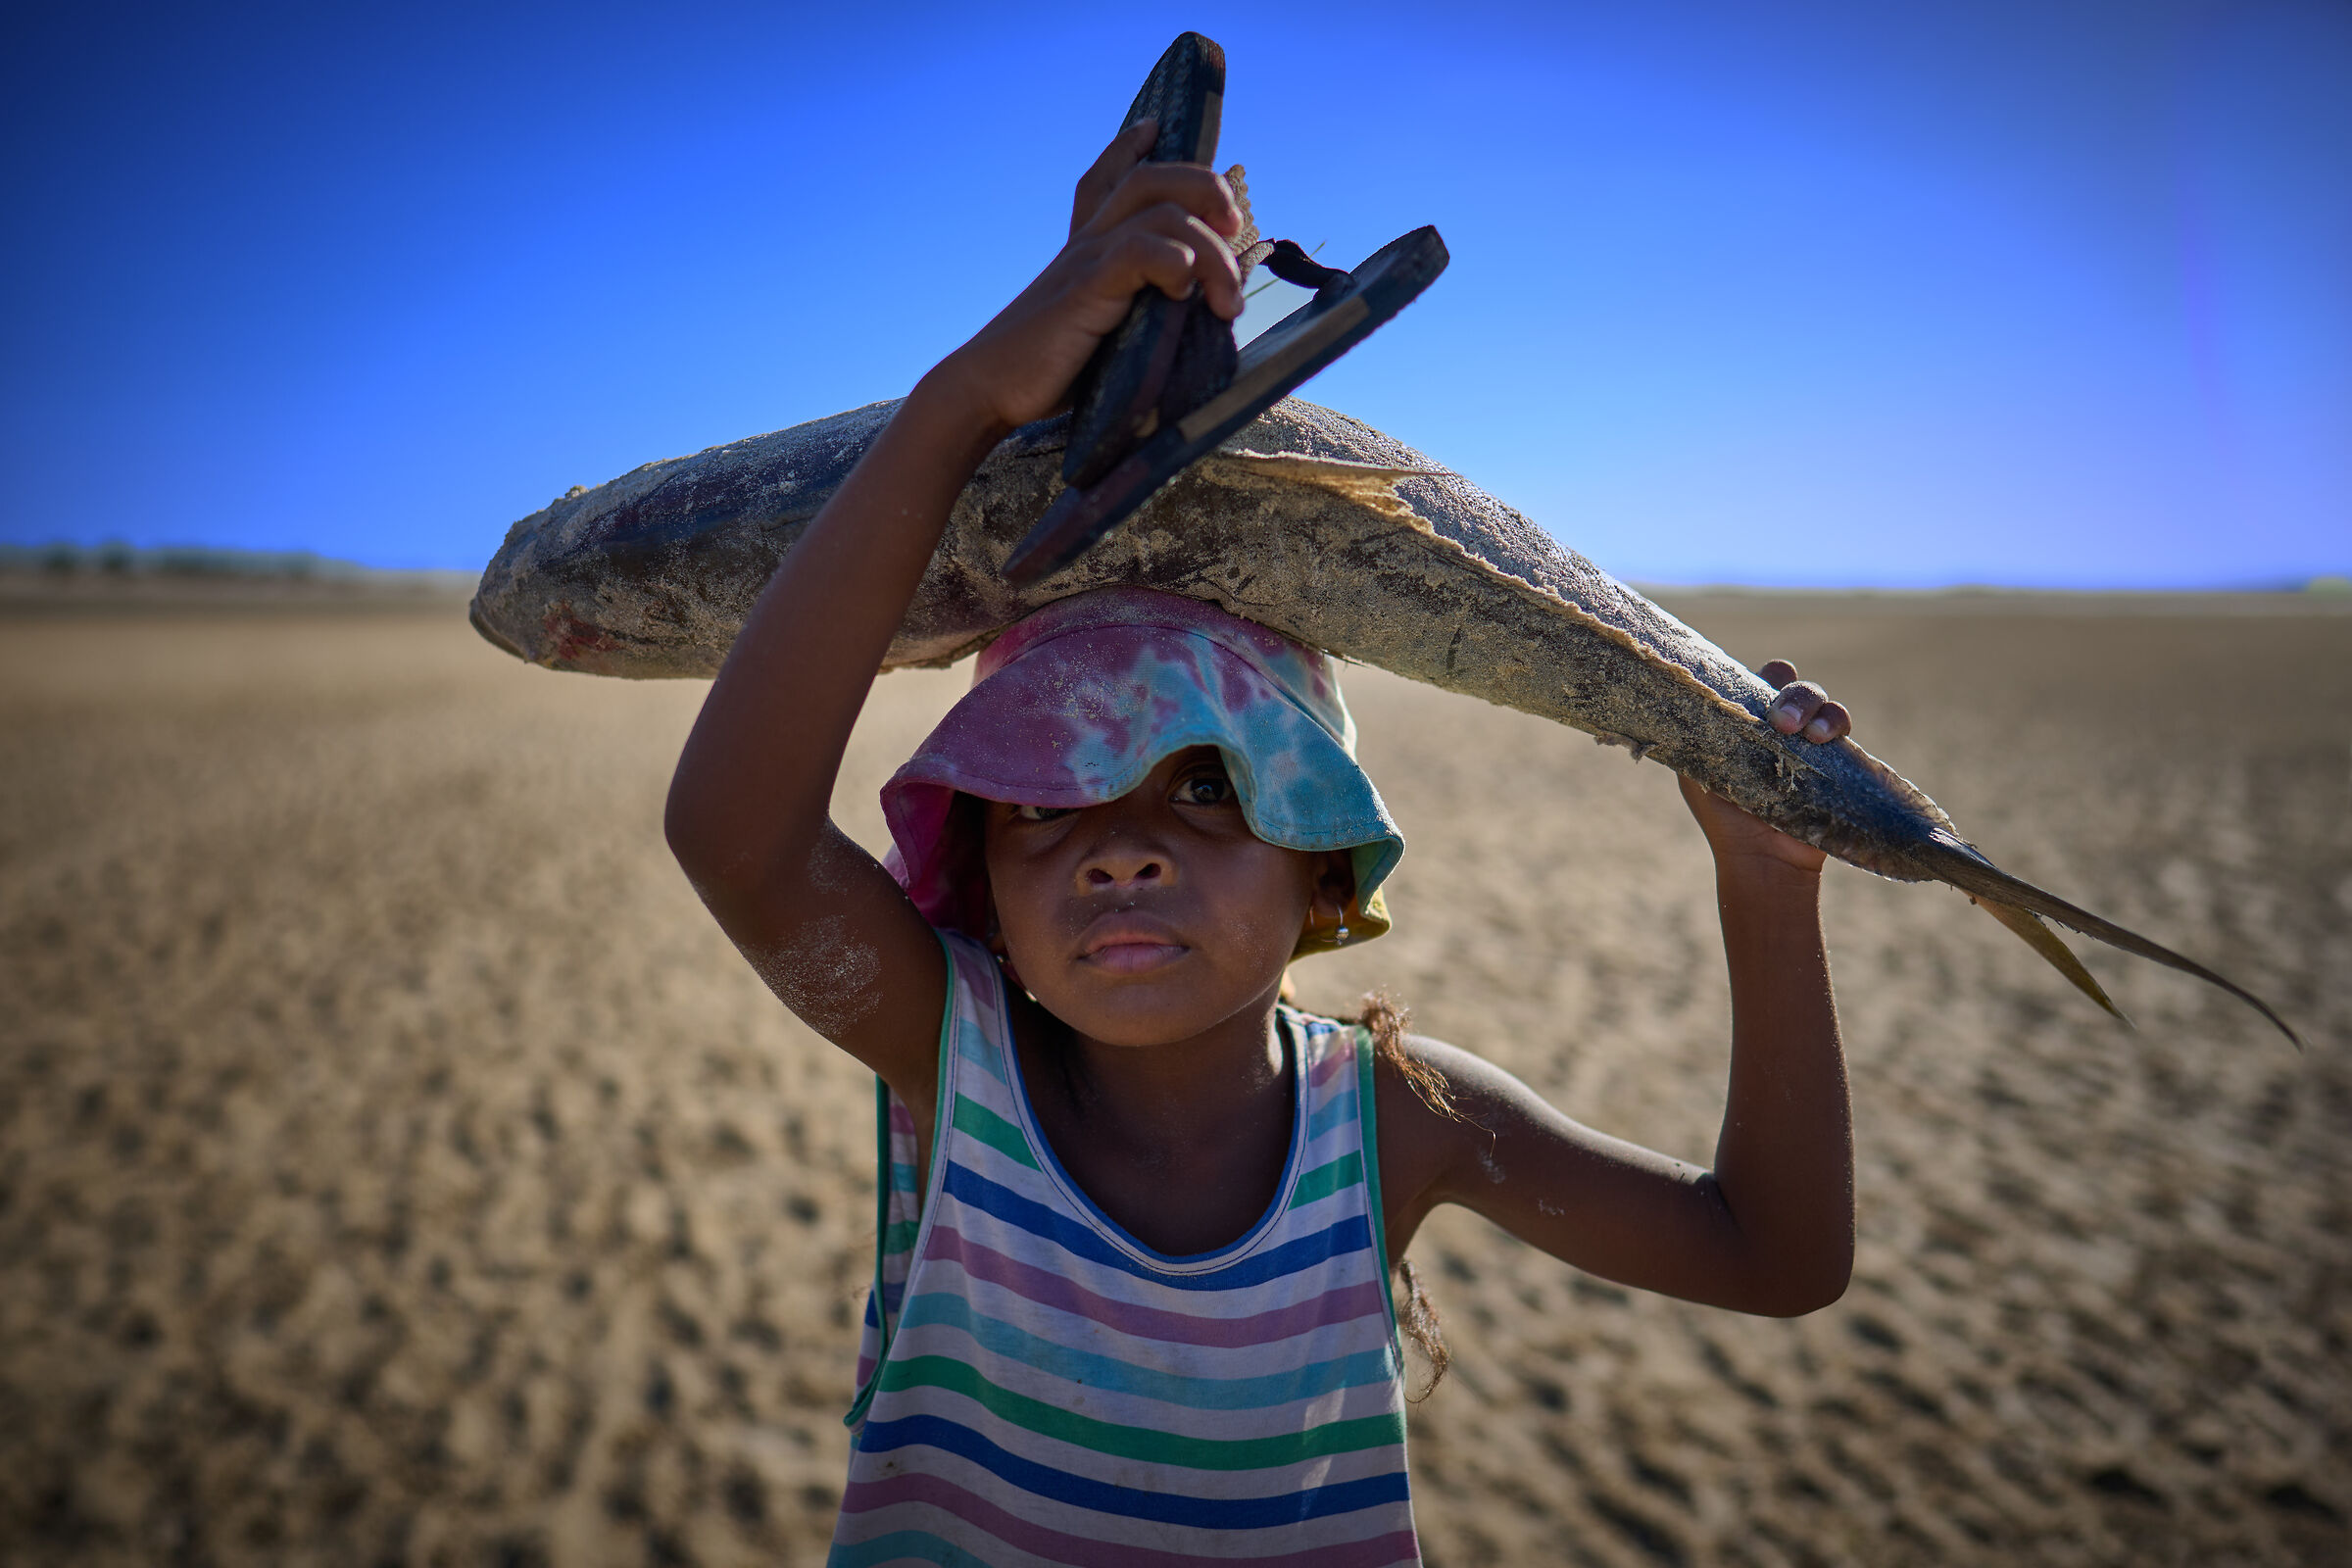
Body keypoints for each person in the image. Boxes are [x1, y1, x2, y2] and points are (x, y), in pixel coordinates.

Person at [664, 120, 1858, 1567]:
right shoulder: (961, 1056)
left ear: (1323, 865)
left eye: (1209, 791)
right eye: (1044, 798)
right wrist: (970, 400)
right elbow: (736, 837)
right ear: (976, 867)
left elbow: (1774, 1255)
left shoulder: (1393, 1121)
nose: (1119, 851)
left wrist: (1765, 881)